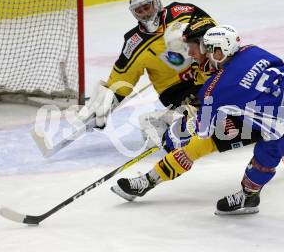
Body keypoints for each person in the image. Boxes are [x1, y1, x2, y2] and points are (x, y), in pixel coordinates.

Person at [114, 24, 284, 252]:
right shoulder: (254, 51)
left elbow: (206, 132)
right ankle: (248, 197)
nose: (203, 56)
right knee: (265, 156)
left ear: (220, 51)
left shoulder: (215, 89)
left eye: (208, 50)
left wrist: (176, 134)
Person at [110, 18, 262, 199]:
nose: (189, 53)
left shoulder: (231, 67)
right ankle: (148, 181)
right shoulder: (207, 64)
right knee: (194, 146)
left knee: (271, 156)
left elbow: (224, 104)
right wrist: (190, 116)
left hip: (263, 119)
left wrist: (190, 126)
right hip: (242, 116)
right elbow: (209, 101)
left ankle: (249, 195)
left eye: (192, 47)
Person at [78, 0, 213, 145]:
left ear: (156, 3)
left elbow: (212, 28)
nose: (145, 13)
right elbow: (121, 79)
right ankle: (159, 122)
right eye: (139, 11)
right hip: (176, 90)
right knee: (207, 112)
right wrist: (105, 103)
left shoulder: (182, 12)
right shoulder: (134, 42)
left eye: (147, 7)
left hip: (203, 72)